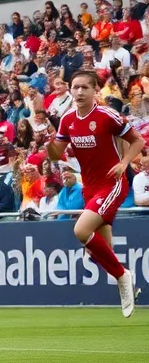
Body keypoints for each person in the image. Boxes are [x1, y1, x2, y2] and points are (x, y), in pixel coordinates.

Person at [46, 68, 143, 317]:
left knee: (80, 230)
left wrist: (124, 163)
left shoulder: (107, 115)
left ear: (94, 90)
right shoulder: (67, 119)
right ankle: (127, 281)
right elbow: (55, 154)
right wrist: (49, 143)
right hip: (90, 187)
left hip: (112, 183)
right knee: (98, 252)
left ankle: (123, 277)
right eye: (75, 87)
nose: (78, 91)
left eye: (84, 87)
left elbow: (139, 141)